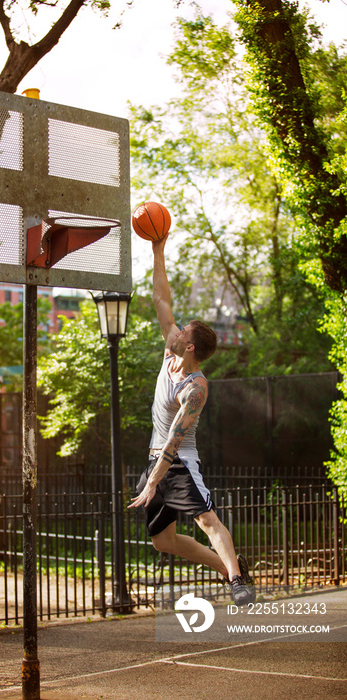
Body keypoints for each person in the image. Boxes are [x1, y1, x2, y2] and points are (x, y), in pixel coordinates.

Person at [128, 234, 254, 606]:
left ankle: (237, 582)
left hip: (178, 462)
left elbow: (172, 441)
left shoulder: (195, 388)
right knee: (162, 541)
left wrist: (154, 481)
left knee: (206, 521)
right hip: (155, 458)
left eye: (182, 332)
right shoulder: (171, 350)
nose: (175, 328)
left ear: (191, 347)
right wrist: (158, 250)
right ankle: (228, 566)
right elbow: (161, 298)